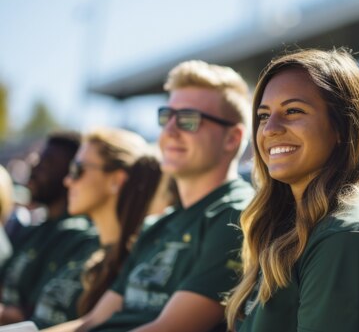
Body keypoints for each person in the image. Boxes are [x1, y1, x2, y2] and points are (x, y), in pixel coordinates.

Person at [45, 60, 254, 332]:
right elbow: (90, 322)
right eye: (166, 117)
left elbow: (170, 328)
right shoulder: (158, 225)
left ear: (232, 138)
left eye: (188, 120)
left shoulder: (236, 214)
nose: (169, 131)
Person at [225, 48, 359, 332]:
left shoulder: (345, 237)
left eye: (293, 111)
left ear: (343, 127)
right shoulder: (287, 228)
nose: (270, 129)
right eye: (263, 116)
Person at [28, 127, 162, 328]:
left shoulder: (135, 262)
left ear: (116, 181)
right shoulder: (85, 248)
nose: (68, 180)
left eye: (77, 170)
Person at [0, 132, 96, 325]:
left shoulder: (76, 237)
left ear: (69, 173)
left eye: (47, 163)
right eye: (36, 161)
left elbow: (30, 314)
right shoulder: (32, 231)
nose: (34, 169)